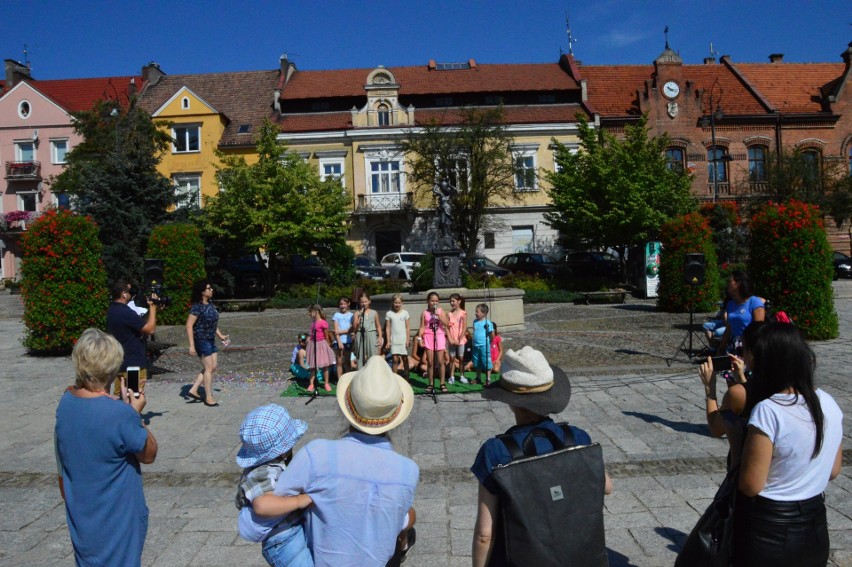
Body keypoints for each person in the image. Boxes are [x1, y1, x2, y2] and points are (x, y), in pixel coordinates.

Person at [253, 355, 419, 567]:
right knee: (409, 518)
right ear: (395, 415)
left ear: (347, 408)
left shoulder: (316, 454)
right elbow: (395, 518)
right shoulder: (408, 471)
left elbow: (270, 511)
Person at [471, 346, 613, 567]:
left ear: (510, 400)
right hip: (576, 556)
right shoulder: (577, 437)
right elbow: (607, 486)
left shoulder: (496, 450)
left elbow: (484, 534)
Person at [733, 323, 843, 567]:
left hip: (770, 528)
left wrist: (735, 438)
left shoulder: (769, 410)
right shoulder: (827, 402)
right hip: (815, 524)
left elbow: (750, 485)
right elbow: (834, 470)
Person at [55, 328, 158, 566]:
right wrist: (133, 413)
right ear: (112, 368)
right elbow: (149, 453)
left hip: (83, 514)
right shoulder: (119, 414)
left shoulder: (66, 402)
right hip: (117, 516)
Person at [236, 404, 313, 567]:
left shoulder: (271, 466)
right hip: (282, 541)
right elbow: (262, 505)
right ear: (283, 450)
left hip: (290, 533)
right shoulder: (259, 473)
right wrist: (300, 501)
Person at [699, 321, 764, 468]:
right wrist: (741, 378)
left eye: (743, 350)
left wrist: (710, 388)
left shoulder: (737, 394)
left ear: (752, 354)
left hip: (746, 467)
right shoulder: (805, 393)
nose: (741, 355)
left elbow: (716, 428)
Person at [106, 280, 158, 395]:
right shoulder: (126, 312)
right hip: (133, 364)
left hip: (120, 362)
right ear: (124, 294)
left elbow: (139, 324)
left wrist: (151, 314)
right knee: (134, 396)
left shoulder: (112, 310)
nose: (131, 294)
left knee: (120, 396)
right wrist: (153, 308)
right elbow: (150, 329)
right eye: (129, 291)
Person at [186, 279, 229, 407]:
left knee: (212, 367)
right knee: (209, 368)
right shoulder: (196, 307)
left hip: (210, 339)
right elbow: (189, 326)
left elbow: (212, 323)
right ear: (202, 292)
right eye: (209, 288)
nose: (211, 290)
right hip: (201, 340)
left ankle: (194, 389)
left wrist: (220, 335)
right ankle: (208, 397)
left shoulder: (210, 304)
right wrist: (192, 345)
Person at [717, 271, 764, 355]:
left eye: (729, 281)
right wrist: (721, 347)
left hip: (748, 345)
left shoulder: (754, 302)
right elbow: (728, 329)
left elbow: (759, 330)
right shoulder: (730, 304)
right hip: (733, 346)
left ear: (738, 284)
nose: (727, 284)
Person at [417, 291, 450, 393]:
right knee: (430, 362)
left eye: (436, 301)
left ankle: (442, 383)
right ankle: (430, 384)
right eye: (432, 301)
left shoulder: (440, 311)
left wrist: (439, 316)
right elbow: (422, 327)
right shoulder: (424, 313)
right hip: (428, 337)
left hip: (439, 336)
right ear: (428, 301)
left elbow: (447, 324)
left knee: (440, 362)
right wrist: (419, 338)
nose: (434, 303)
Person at [306, 304, 335, 393]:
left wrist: (328, 344)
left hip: (321, 344)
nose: (310, 314)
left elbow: (326, 335)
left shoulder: (323, 322)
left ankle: (326, 383)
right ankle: (311, 384)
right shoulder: (313, 323)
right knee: (313, 366)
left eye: (310, 312)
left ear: (316, 311)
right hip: (313, 344)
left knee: (325, 365)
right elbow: (312, 335)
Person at [352, 293, 383, 368]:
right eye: (362, 302)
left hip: (371, 334)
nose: (364, 303)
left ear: (369, 301)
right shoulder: (357, 313)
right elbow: (355, 327)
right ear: (359, 302)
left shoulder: (374, 312)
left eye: (365, 301)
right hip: (360, 334)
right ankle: (360, 372)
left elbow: (378, 326)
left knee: (372, 355)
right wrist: (360, 315)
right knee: (360, 356)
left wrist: (380, 337)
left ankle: (373, 373)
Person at [384, 293, 411, 379]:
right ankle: (395, 378)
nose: (397, 304)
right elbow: (388, 328)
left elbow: (407, 327)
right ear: (392, 303)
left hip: (403, 339)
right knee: (395, 359)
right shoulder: (389, 314)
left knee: (405, 359)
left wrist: (408, 339)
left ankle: (407, 378)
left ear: (402, 303)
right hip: (394, 339)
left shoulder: (405, 313)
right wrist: (388, 340)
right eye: (395, 302)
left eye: (399, 302)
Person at [470, 304, 495, 386]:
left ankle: (488, 379)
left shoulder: (488, 323)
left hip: (484, 345)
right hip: (476, 345)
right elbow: (474, 332)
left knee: (486, 361)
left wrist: (490, 342)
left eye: (477, 311)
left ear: (484, 313)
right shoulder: (475, 322)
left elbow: (492, 334)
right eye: (475, 311)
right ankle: (478, 377)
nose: (475, 313)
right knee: (477, 362)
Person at [446, 293, 467, 384]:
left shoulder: (463, 313)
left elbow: (465, 327)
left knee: (461, 358)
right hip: (451, 340)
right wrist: (450, 338)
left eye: (453, 301)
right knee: (452, 358)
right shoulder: (449, 314)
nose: (452, 303)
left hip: (460, 340)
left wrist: (459, 339)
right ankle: (452, 376)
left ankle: (462, 376)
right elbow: (446, 327)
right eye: (450, 301)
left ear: (459, 301)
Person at [333, 297, 354, 377]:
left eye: (344, 304)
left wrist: (340, 331)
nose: (342, 306)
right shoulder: (336, 315)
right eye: (341, 304)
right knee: (339, 361)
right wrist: (339, 342)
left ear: (348, 304)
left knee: (347, 361)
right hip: (339, 341)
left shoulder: (351, 315)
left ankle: (347, 379)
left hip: (348, 341)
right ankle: (339, 379)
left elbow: (351, 329)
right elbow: (336, 329)